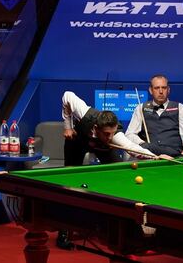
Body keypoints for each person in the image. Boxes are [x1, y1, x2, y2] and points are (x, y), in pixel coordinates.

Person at [58, 90, 170, 249]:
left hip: (103, 149)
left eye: (112, 133)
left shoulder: (113, 137)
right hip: (77, 141)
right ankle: (64, 232)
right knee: (68, 184)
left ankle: (129, 232)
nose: (110, 137)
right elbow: (67, 95)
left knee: (120, 179)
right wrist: (68, 126)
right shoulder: (84, 112)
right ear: (96, 128)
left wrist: (157, 158)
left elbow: (132, 148)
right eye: (106, 134)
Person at [126, 75, 183, 157]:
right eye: (157, 88)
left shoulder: (180, 108)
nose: (161, 91)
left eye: (164, 88)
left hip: (174, 155)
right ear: (151, 90)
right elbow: (130, 134)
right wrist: (142, 143)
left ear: (168, 90)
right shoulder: (141, 108)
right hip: (152, 156)